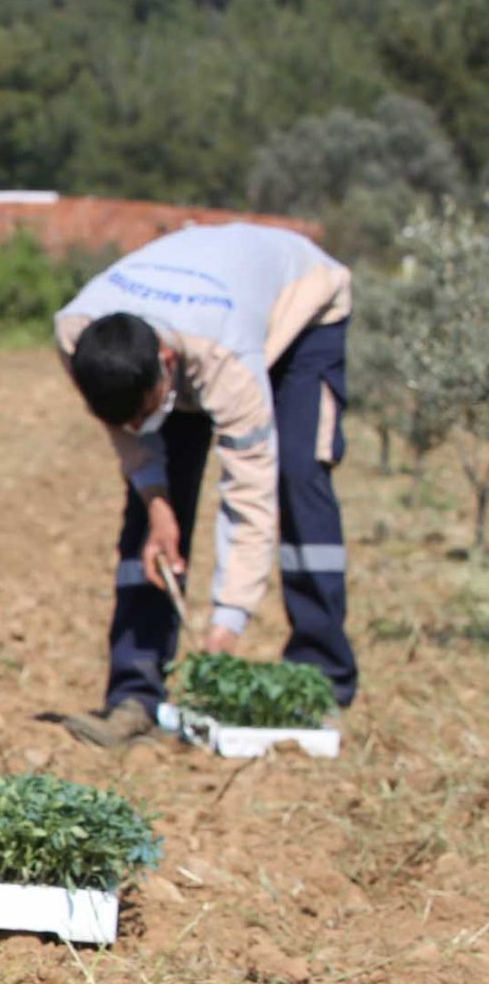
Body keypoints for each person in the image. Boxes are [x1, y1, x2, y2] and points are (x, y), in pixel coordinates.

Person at [52, 223, 355, 747]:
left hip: (300, 312)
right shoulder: (77, 335)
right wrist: (158, 504)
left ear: (166, 368)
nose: (132, 431)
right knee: (149, 521)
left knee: (296, 479)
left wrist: (226, 625)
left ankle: (320, 681)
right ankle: (135, 693)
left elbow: (248, 496)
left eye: (144, 413)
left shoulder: (226, 361)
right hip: (196, 324)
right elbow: (128, 434)